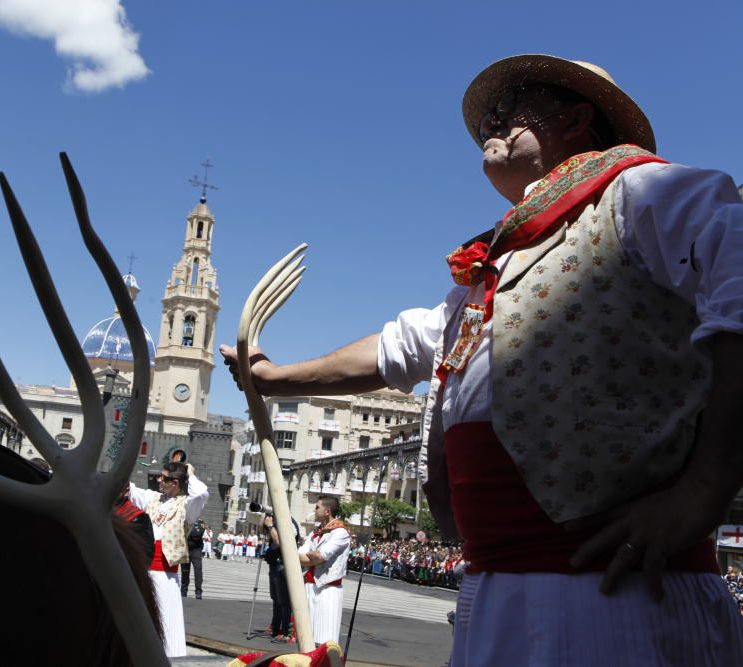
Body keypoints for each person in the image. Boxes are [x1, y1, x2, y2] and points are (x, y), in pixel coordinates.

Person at [221, 54, 743, 664]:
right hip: (493, 589)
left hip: (617, 598)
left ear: (576, 121)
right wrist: (273, 379)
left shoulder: (645, 192)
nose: (491, 122)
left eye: (512, 108)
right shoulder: (490, 270)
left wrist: (706, 490)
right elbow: (403, 345)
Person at [128, 462, 209, 657]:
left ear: (174, 482)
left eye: (163, 478)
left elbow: (201, 493)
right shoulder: (154, 498)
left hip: (165, 572)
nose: (158, 480)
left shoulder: (187, 505)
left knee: (165, 618)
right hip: (144, 567)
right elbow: (131, 489)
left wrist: (190, 472)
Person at [298, 497, 350, 645]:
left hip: (327, 589)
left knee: (325, 638)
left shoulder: (340, 532)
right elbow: (298, 554)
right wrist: (311, 558)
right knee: (306, 636)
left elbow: (320, 556)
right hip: (309, 586)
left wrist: (309, 557)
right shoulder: (316, 532)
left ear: (327, 511)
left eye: (317, 507)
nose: (314, 510)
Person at [263, 512, 301, 643]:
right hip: (274, 563)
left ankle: (286, 631)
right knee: (275, 597)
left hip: (283, 565)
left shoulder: (288, 522)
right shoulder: (277, 521)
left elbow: (279, 541)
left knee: (284, 600)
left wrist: (270, 527)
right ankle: (275, 626)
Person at [182, 519, 205, 599]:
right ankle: (183, 591)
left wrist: (189, 533)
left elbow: (198, 534)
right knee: (185, 571)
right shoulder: (184, 521)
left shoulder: (199, 522)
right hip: (186, 549)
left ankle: (198, 591)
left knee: (198, 571)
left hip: (196, 550)